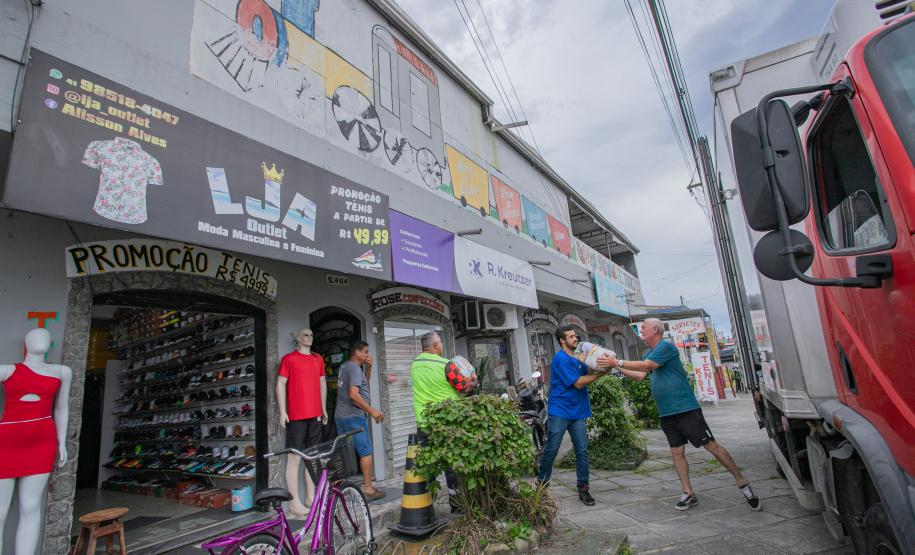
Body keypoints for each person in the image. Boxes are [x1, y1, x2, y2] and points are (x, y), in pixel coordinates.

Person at [608, 318, 761, 511]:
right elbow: (639, 376)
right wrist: (615, 367)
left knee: (710, 445)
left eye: (644, 328)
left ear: (655, 330)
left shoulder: (666, 347)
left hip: (685, 408)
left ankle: (742, 482)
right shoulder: (650, 353)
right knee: (676, 452)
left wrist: (617, 360)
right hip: (667, 412)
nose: (642, 332)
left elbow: (647, 366)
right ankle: (688, 493)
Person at [537, 325, 613, 506]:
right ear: (562, 340)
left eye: (575, 336)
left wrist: (602, 365)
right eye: (571, 336)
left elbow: (588, 373)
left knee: (582, 450)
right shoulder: (560, 358)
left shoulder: (579, 357)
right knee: (552, 449)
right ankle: (542, 484)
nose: (575, 338)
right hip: (560, 410)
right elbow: (579, 383)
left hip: (577, 411)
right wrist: (601, 374)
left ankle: (583, 488)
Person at [410, 331, 476, 511]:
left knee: (428, 464)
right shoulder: (447, 365)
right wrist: (472, 382)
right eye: (440, 342)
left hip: (424, 422)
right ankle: (456, 505)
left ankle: (427, 505)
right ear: (435, 346)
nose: (441, 345)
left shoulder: (414, 364)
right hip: (447, 422)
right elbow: (463, 388)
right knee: (451, 464)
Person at [277, 327, 328, 514]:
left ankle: (310, 496)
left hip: (315, 415)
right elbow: (280, 383)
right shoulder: (289, 359)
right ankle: (294, 502)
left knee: (312, 457)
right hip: (296, 416)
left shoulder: (318, 359)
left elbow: (322, 383)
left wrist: (323, 409)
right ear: (298, 338)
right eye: (305, 335)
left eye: (312, 335)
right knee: (294, 459)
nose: (309, 337)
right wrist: (283, 411)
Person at [334, 340, 386, 501]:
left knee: (341, 451)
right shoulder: (354, 369)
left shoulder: (345, 366)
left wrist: (369, 368)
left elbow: (364, 385)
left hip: (340, 416)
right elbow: (354, 395)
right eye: (365, 351)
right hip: (354, 416)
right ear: (357, 352)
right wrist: (372, 411)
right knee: (366, 451)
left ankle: (339, 487)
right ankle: (368, 489)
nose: (367, 355)